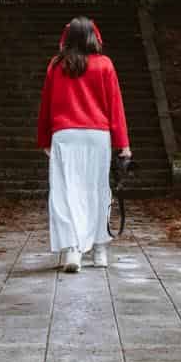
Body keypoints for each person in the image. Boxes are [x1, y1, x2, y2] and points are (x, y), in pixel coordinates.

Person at [37, 15, 130, 272]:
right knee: (98, 190)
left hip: (65, 135)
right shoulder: (105, 65)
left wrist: (43, 138)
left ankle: (72, 251)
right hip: (97, 136)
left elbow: (46, 105)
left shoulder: (56, 66)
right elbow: (116, 107)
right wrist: (123, 144)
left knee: (65, 193)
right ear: (94, 37)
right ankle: (100, 250)